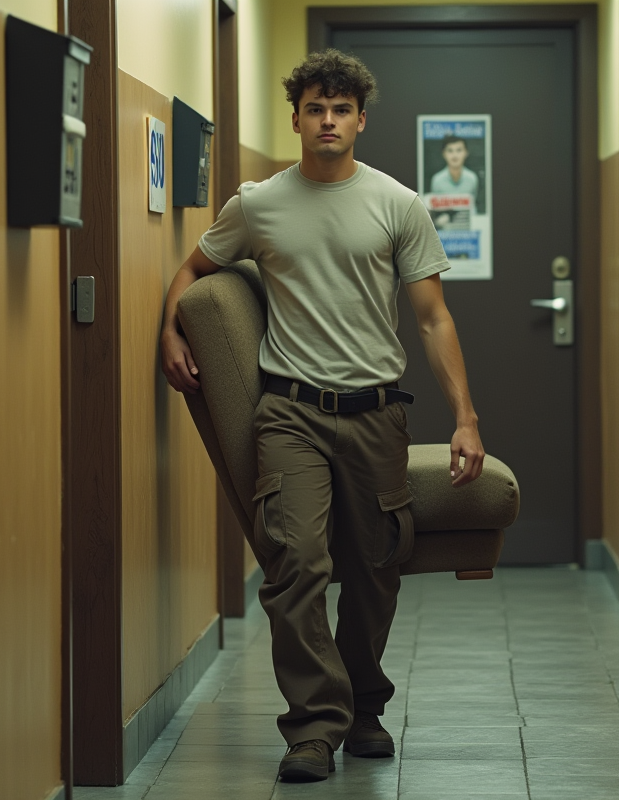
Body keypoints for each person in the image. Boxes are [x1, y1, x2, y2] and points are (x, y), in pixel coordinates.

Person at [159, 49, 485, 783]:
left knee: (375, 569)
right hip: (290, 412)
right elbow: (193, 271)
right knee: (296, 562)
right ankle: (313, 727)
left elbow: (433, 320)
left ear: (361, 120)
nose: (328, 120)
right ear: (298, 118)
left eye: (341, 109)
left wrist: (465, 417)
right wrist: (169, 331)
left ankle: (363, 706)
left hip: (375, 412)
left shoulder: (398, 203)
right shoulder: (257, 203)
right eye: (315, 108)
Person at [429, 134, 479, 201]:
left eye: (459, 150)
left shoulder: (472, 178)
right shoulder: (437, 180)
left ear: (466, 153)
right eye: (450, 151)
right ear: (444, 154)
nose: (454, 155)